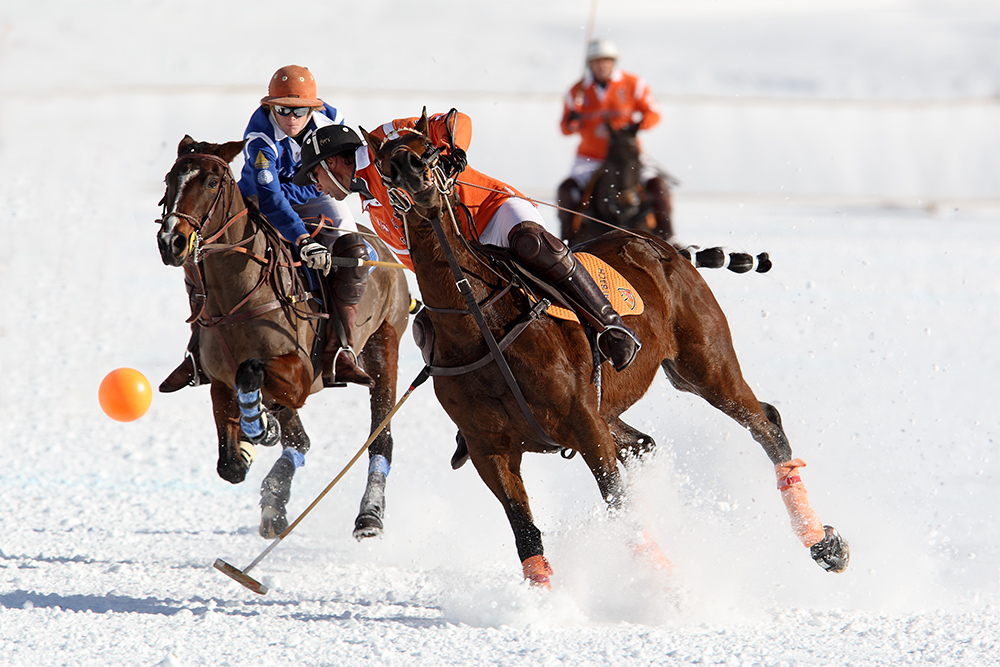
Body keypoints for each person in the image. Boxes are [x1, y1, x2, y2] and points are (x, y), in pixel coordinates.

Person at [295, 111, 640, 372]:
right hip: (466, 256)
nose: (317, 186)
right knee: (430, 329)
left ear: (332, 161)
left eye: (315, 175)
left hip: (490, 212)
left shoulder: (385, 140)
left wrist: (454, 149)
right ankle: (476, 408)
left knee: (532, 246)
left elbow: (457, 122)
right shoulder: (369, 203)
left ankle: (612, 328)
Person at [159, 65, 372, 392]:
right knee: (199, 252)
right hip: (265, 197)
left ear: (313, 109)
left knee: (352, 247)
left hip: (317, 192)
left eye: (298, 110)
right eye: (281, 109)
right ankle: (196, 351)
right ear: (270, 106)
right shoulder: (260, 134)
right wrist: (302, 239)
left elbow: (348, 167)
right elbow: (272, 198)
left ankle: (340, 349)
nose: (290, 117)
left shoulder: (333, 121)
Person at [557, 39, 672, 239]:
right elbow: (565, 129)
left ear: (614, 62)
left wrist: (634, 128)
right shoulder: (577, 92)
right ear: (590, 63)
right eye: (597, 61)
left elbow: (654, 114)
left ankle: (668, 238)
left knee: (658, 188)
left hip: (627, 156)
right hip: (591, 157)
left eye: (607, 60)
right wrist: (572, 121)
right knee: (566, 191)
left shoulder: (633, 84)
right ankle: (566, 242)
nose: (603, 65)